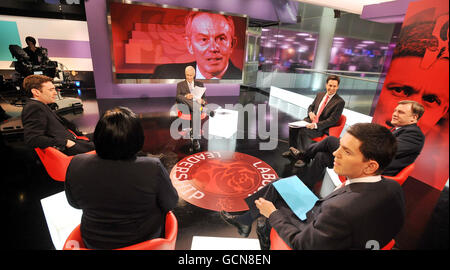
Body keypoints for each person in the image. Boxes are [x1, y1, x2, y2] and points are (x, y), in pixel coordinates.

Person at [221, 123, 405, 250]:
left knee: (270, 211)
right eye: (340, 146)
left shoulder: (340, 210)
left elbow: (302, 245)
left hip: (315, 229)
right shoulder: (392, 187)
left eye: (346, 152)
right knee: (279, 185)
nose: (335, 153)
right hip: (330, 222)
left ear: (370, 165)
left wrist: (273, 213)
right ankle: (245, 221)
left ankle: (263, 234)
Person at [65, 107, 179, 249]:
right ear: (138, 139)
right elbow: (170, 203)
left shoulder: (76, 163)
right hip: (146, 242)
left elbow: (75, 204)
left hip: (94, 243)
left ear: (98, 136)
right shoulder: (152, 167)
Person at [294, 100, 425, 188]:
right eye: (395, 110)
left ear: (414, 118)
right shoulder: (397, 129)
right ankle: (306, 185)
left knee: (330, 140)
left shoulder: (414, 135)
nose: (395, 114)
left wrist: (358, 143)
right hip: (366, 160)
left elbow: (384, 151)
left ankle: (304, 156)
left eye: (401, 112)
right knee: (322, 156)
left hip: (374, 169)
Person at [153, 11, 242, 79]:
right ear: (190, 45)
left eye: (221, 39)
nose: (213, 48)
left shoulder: (242, 80)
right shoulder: (165, 74)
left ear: (232, 44)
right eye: (204, 39)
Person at [21, 74, 94, 155]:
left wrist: (80, 134)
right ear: (36, 92)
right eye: (51, 90)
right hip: (71, 147)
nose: (55, 93)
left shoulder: (41, 105)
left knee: (105, 133)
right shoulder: (34, 107)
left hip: (75, 139)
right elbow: (33, 139)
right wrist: (66, 142)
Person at [282, 75, 345, 154]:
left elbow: (333, 120)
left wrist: (315, 125)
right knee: (293, 128)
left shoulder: (339, 102)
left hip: (321, 127)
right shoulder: (320, 95)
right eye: (330, 85)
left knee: (303, 131)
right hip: (311, 121)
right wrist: (310, 113)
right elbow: (311, 106)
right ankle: (292, 151)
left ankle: (303, 157)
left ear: (337, 87)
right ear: (326, 85)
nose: (332, 88)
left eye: (334, 86)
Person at [176, 66, 207, 151]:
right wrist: (186, 96)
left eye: (191, 75)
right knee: (180, 96)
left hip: (196, 106)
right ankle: (196, 106)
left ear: (194, 74)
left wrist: (202, 101)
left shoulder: (200, 84)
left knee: (195, 109)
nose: (189, 77)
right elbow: (178, 98)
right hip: (185, 106)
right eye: (187, 75)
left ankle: (195, 139)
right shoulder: (180, 84)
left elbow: (205, 99)